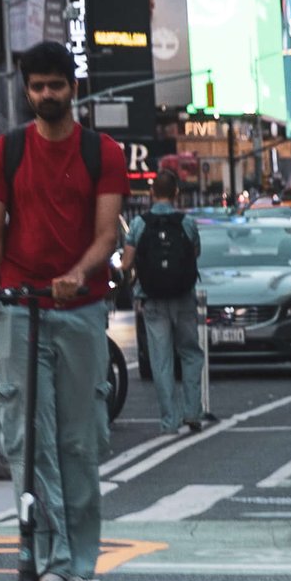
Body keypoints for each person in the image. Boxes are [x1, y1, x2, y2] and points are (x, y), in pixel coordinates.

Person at [0, 38, 128, 581]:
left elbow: (107, 234)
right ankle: (44, 563)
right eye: (36, 87)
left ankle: (80, 567)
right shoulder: (6, 152)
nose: (45, 96)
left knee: (77, 440)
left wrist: (77, 274)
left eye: (55, 86)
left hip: (80, 308)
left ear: (73, 88)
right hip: (19, 307)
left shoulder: (102, 152)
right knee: (25, 440)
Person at [132, 163, 205, 435]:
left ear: (152, 193)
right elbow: (194, 253)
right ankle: (192, 411)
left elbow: (128, 260)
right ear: (176, 192)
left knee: (161, 359)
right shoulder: (187, 223)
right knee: (189, 352)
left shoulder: (140, 224)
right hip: (183, 296)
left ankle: (169, 420)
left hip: (152, 298)